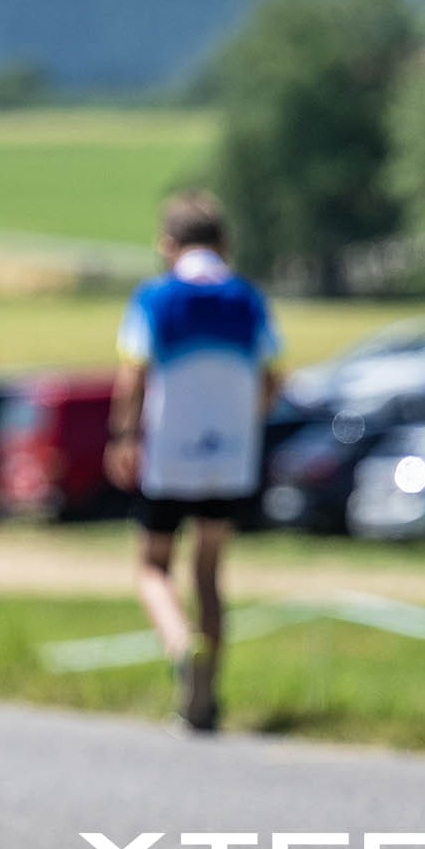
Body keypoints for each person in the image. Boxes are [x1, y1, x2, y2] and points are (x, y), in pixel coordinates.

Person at [104, 191, 280, 732]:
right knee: (208, 573)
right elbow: (273, 377)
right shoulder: (248, 299)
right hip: (229, 456)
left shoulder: (155, 298)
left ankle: (180, 643)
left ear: (167, 244)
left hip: (169, 455)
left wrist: (123, 436)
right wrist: (244, 423)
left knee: (153, 566)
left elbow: (133, 376)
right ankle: (206, 700)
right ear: (224, 243)